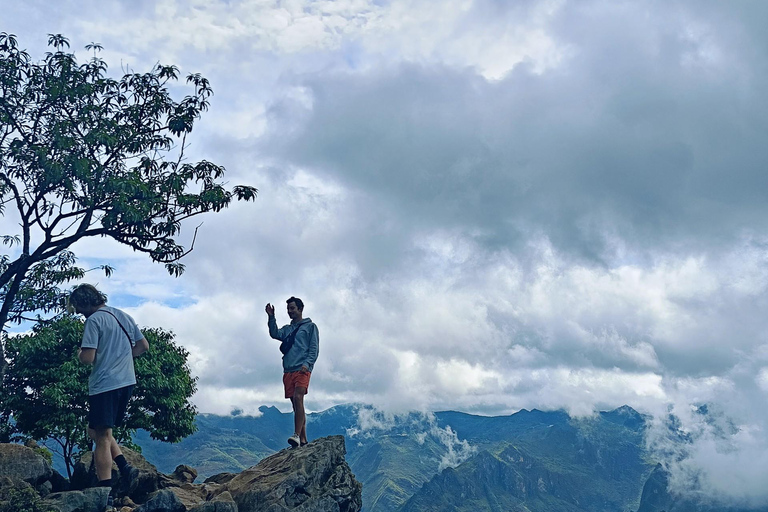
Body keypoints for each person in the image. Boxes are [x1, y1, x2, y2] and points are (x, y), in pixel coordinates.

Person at [69, 284, 149, 512]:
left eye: (77, 307)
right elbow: (143, 346)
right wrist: (121, 357)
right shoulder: (123, 315)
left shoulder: (94, 321)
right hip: (126, 382)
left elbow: (87, 357)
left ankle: (106, 491)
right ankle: (124, 467)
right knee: (95, 430)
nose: (77, 311)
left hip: (105, 384)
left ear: (84, 303)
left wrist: (80, 354)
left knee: (102, 437)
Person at [265, 296, 319, 448]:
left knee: (298, 398)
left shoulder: (310, 327)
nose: (290, 311)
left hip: (302, 369)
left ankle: (295, 435)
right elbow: (275, 334)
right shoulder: (288, 329)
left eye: (292, 308)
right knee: (296, 405)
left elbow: (314, 348)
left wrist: (308, 364)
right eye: (288, 309)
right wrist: (271, 317)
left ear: (300, 309)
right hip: (288, 369)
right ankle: (303, 439)